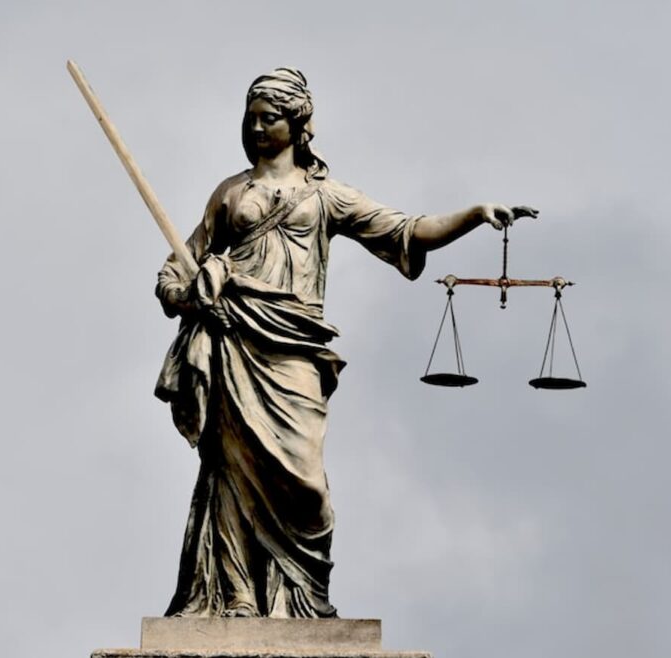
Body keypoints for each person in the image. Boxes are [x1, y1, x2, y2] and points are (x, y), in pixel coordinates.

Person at [154, 67, 536, 618]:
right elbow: (171, 275)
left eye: (271, 117)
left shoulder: (326, 196)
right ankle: (236, 596)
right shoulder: (229, 194)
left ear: (298, 123)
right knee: (231, 471)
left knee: (305, 484)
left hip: (294, 351)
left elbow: (405, 230)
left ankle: (303, 599)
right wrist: (195, 290)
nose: (258, 127)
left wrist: (476, 215)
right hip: (233, 341)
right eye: (252, 118)